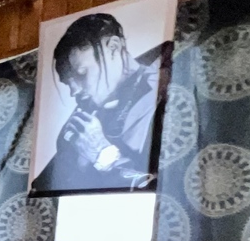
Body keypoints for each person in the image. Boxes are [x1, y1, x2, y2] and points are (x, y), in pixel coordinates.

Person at [31, 13, 164, 194]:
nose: (74, 92)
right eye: (68, 84)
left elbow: (166, 189)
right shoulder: (84, 117)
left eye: (82, 73)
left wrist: (103, 154)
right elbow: (41, 192)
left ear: (113, 47)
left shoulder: (167, 91)